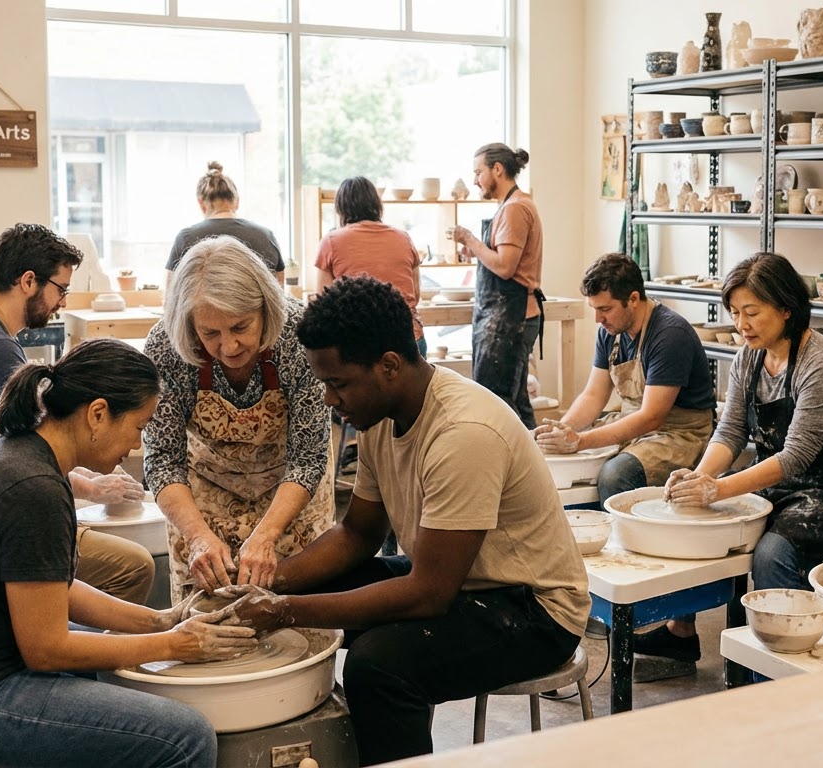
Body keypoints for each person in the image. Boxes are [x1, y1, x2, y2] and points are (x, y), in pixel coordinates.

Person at [222, 275, 589, 766]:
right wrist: (261, 583)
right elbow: (357, 535)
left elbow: (428, 593)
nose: (330, 400)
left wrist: (284, 609)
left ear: (389, 366)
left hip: (532, 607)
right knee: (321, 588)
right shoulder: (379, 417)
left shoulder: (463, 433)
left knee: (378, 666)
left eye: (338, 384)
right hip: (462, 580)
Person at [0, 339, 257, 767]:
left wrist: (161, 620)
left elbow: (52, 589)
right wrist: (172, 645)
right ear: (97, 414)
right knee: (187, 737)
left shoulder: (21, 451)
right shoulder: (32, 487)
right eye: (137, 427)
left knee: (121, 671)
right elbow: (46, 648)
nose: (135, 445)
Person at [641, 253, 823, 672]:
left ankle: (783, 667)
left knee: (770, 555)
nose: (741, 324)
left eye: (752, 312)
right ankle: (680, 634)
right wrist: (701, 477)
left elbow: (797, 455)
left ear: (787, 308)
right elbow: (730, 431)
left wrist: (721, 488)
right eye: (734, 313)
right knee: (703, 524)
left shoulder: (821, 363)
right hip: (780, 479)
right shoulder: (749, 356)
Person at [0, 223, 155, 604]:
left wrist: (87, 473)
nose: (63, 302)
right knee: (133, 565)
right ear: (28, 281)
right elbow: (21, 461)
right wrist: (90, 488)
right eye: (61, 289)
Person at [144, 235, 335, 601]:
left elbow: (308, 457)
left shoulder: (300, 335)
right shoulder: (167, 345)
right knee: (205, 624)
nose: (228, 346)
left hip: (291, 492)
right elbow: (163, 460)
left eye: (240, 327)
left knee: (294, 615)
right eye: (210, 333)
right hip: (204, 494)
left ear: (265, 308)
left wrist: (265, 537)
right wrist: (197, 535)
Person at [534, 252, 715, 500]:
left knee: (615, 475)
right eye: (594, 309)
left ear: (633, 299)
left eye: (605, 309)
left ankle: (626, 538)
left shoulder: (670, 335)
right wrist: (562, 430)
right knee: (552, 459)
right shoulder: (610, 331)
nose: (598, 319)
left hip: (679, 434)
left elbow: (651, 417)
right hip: (631, 421)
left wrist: (580, 441)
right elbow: (593, 395)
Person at [449, 143, 544, 429]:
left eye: (479, 172)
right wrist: (477, 251)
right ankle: (536, 466)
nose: (476, 180)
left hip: (511, 318)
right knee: (514, 400)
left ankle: (517, 468)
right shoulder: (513, 205)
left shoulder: (515, 209)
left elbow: (505, 267)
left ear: (498, 170)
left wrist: (469, 240)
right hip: (508, 317)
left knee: (498, 402)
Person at [313, 175, 424, 355]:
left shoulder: (331, 242)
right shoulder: (404, 238)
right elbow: (415, 295)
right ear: (376, 205)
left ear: (341, 208)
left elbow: (323, 304)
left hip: (358, 342)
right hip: (407, 339)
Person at [167, 160, 284, 287]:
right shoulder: (265, 236)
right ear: (237, 202)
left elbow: (170, 295)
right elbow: (279, 291)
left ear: (201, 204)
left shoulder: (185, 238)